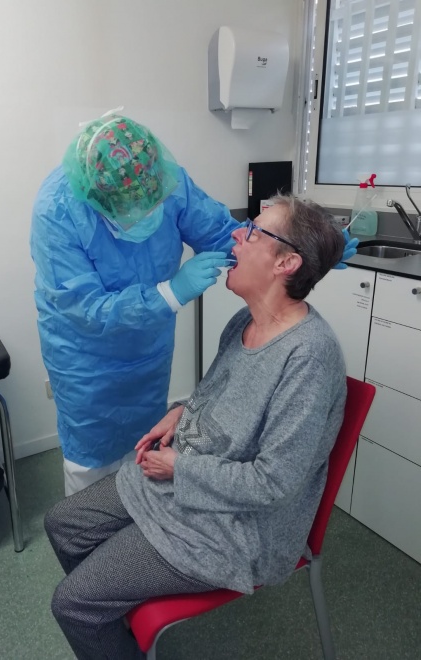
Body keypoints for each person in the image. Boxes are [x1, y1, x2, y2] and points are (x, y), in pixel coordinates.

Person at [44, 193, 348, 660]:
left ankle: (101, 611)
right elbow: (223, 397)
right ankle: (116, 624)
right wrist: (184, 410)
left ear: (286, 262)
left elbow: (275, 482)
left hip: (238, 528)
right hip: (190, 473)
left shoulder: (308, 356)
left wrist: (179, 470)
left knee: (73, 603)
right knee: (62, 523)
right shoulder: (244, 322)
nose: (235, 235)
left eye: (253, 230)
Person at [31, 110, 357, 496]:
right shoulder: (59, 209)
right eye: (133, 210)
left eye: (154, 200)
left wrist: (315, 246)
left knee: (143, 453)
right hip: (87, 360)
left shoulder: (162, 178)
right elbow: (84, 309)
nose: (149, 212)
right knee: (90, 473)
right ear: (99, 199)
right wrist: (170, 292)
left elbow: (224, 232)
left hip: (148, 348)